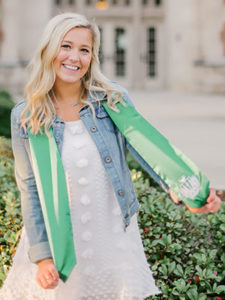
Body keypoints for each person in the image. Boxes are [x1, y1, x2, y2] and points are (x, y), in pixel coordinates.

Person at [0, 12, 221, 300]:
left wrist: (190, 195)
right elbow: (29, 188)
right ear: (49, 49)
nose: (74, 57)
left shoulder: (111, 100)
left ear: (93, 57)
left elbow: (149, 151)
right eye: (66, 46)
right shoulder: (28, 116)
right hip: (59, 238)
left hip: (110, 232)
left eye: (84, 50)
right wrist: (42, 257)